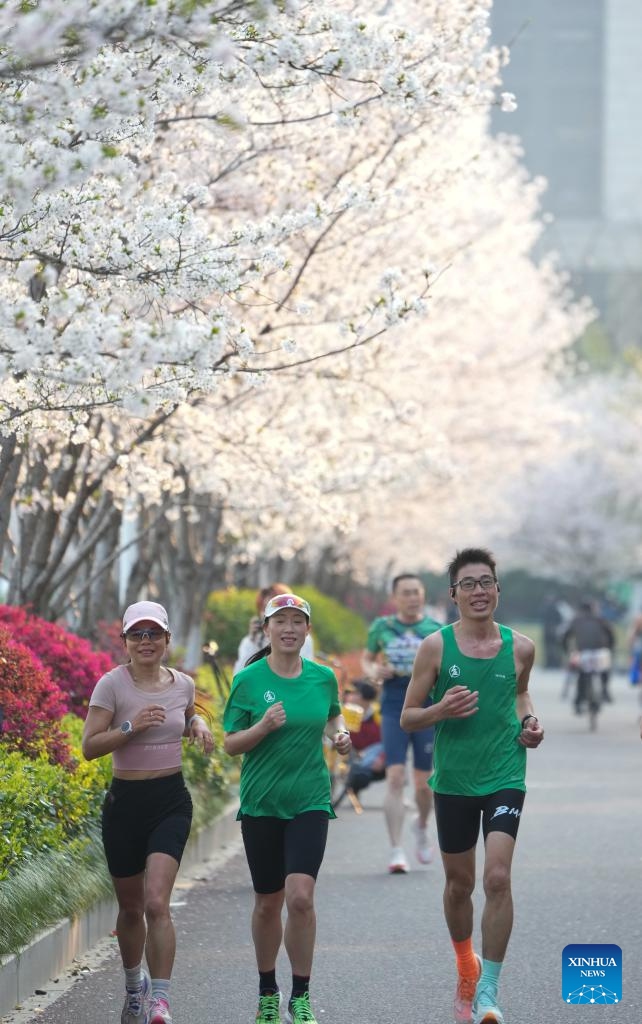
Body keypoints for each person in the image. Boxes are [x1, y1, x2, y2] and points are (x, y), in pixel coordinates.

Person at [400, 548, 544, 1024]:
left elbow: (520, 693)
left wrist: (530, 723)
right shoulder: (436, 648)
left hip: (505, 774)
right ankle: (466, 965)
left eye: (487, 582)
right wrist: (441, 710)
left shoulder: (521, 647)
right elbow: (408, 716)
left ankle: (489, 991)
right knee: (459, 885)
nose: (479, 591)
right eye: (469, 584)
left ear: (498, 590)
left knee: (497, 878)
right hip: (455, 780)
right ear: (454, 595)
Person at [82, 601, 214, 1024]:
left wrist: (200, 724)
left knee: (157, 902)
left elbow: (188, 714)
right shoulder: (111, 686)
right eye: (137, 634)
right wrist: (130, 727)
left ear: (167, 640)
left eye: (153, 634)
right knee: (131, 908)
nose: (146, 642)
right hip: (125, 804)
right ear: (124, 642)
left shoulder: (184, 685)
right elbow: (89, 747)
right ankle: (133, 986)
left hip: (170, 800)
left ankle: (161, 999)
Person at [223, 592, 351, 1024]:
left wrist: (341, 735)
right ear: (267, 628)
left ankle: (300, 996)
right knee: (266, 902)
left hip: (310, 800)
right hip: (262, 803)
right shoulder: (249, 680)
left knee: (300, 897)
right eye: (281, 621)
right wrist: (262, 726)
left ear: (307, 630)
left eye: (298, 621)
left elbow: (333, 718)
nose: (289, 629)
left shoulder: (323, 678)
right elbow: (230, 744)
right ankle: (266, 993)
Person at [362, 573, 442, 873]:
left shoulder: (436, 629)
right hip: (394, 702)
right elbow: (368, 659)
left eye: (416, 592)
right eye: (405, 593)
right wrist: (375, 671)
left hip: (428, 704)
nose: (412, 597)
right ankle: (396, 850)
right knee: (395, 776)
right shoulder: (382, 628)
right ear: (395, 598)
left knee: (424, 784)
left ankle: (421, 826)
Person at [233, 584, 315, 673]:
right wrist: (253, 641)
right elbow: (239, 676)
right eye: (265, 608)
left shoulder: (301, 639)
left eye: (277, 609)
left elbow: (303, 673)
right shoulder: (250, 641)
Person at [562, 600, 615, 709]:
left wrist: (566, 650)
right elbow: (611, 635)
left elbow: (565, 637)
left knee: (581, 675)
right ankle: (605, 691)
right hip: (599, 652)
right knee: (605, 671)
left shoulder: (576, 620)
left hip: (581, 653)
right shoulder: (601, 619)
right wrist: (609, 648)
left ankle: (578, 701)